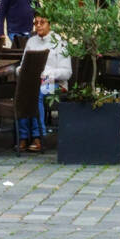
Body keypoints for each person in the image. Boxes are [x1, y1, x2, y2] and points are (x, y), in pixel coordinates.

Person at [18, 16, 72, 152]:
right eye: (36, 23)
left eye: (42, 22)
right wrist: (22, 70)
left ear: (50, 24)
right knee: (21, 91)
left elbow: (67, 72)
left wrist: (47, 73)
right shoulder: (31, 42)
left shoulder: (60, 42)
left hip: (56, 83)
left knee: (38, 91)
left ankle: (38, 136)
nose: (38, 25)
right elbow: (22, 65)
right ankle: (23, 136)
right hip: (33, 81)